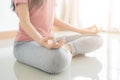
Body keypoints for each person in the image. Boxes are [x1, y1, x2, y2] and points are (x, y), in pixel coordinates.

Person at [12, 0, 103, 73]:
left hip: (49, 42)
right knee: (58, 59)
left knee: (98, 39)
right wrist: (41, 41)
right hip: (24, 45)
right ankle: (65, 52)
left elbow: (54, 20)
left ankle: (67, 49)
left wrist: (81, 31)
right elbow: (25, 22)